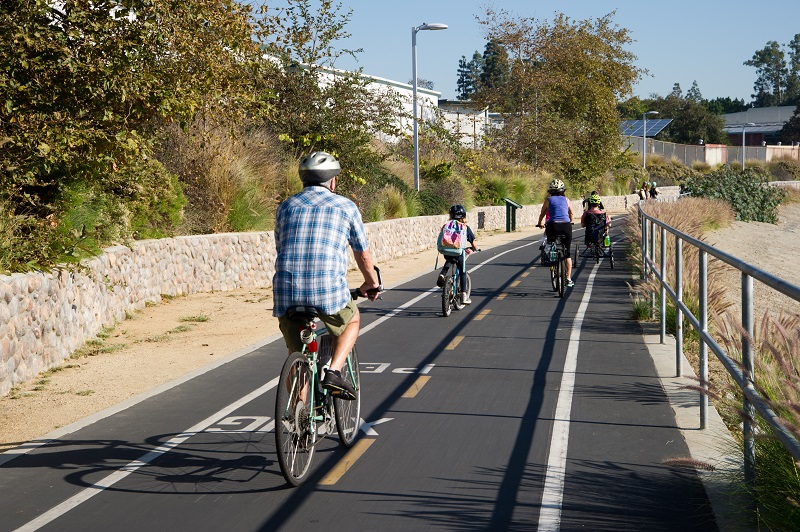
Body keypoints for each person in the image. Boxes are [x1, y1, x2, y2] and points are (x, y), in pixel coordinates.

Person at [272, 151, 380, 399]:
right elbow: (362, 254)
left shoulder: (286, 206)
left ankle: (300, 420)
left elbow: (281, 246)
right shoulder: (345, 206)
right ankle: (333, 370)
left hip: (287, 291)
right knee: (351, 321)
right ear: (332, 181)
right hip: (328, 290)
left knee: (296, 353)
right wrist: (371, 282)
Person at [436, 204, 478, 305]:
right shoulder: (465, 228)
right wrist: (475, 249)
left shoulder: (446, 225)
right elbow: (473, 243)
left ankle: (443, 273)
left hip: (446, 251)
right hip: (459, 252)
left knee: (450, 259)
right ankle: (463, 296)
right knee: (462, 272)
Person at [536, 178, 575, 287]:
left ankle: (552, 263)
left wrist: (540, 223)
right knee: (567, 253)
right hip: (566, 226)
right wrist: (570, 221)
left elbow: (542, 214)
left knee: (550, 243)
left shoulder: (548, 200)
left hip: (552, 226)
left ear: (550, 191)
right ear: (563, 190)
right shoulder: (566, 200)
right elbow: (571, 213)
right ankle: (568, 278)